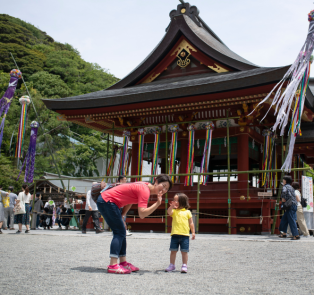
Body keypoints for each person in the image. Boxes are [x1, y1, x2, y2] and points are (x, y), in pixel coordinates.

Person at [97, 174, 172, 274]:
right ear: (156, 182)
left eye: (167, 189)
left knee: (122, 230)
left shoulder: (145, 185)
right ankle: (113, 265)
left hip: (108, 200)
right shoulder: (145, 191)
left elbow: (130, 200)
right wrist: (157, 204)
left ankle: (123, 263)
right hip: (108, 200)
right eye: (163, 186)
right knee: (119, 232)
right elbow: (142, 214)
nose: (164, 190)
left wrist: (122, 215)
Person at [165, 193, 195, 273]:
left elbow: (191, 223)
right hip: (174, 234)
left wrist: (193, 232)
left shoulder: (188, 212)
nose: (175, 202)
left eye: (177, 200)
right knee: (173, 251)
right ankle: (172, 265)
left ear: (183, 202)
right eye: (174, 200)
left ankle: (184, 265)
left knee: (184, 251)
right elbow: (169, 212)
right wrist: (171, 206)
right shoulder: (174, 211)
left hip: (185, 235)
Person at [278, 176, 300, 240]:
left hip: (289, 206)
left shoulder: (285, 187)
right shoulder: (291, 187)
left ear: (285, 181)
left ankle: (296, 235)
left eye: (283, 180)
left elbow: (284, 197)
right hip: (294, 205)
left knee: (291, 220)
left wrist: (283, 202)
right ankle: (284, 233)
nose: (283, 181)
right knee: (284, 219)